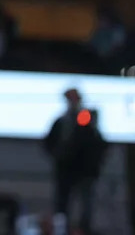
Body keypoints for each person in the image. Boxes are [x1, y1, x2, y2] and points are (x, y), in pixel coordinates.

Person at [43, 88, 107, 234]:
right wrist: (58, 156)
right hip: (65, 170)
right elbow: (49, 143)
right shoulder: (61, 122)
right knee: (62, 205)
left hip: (85, 171)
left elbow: (98, 144)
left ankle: (85, 230)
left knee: (86, 205)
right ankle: (62, 230)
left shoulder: (88, 121)